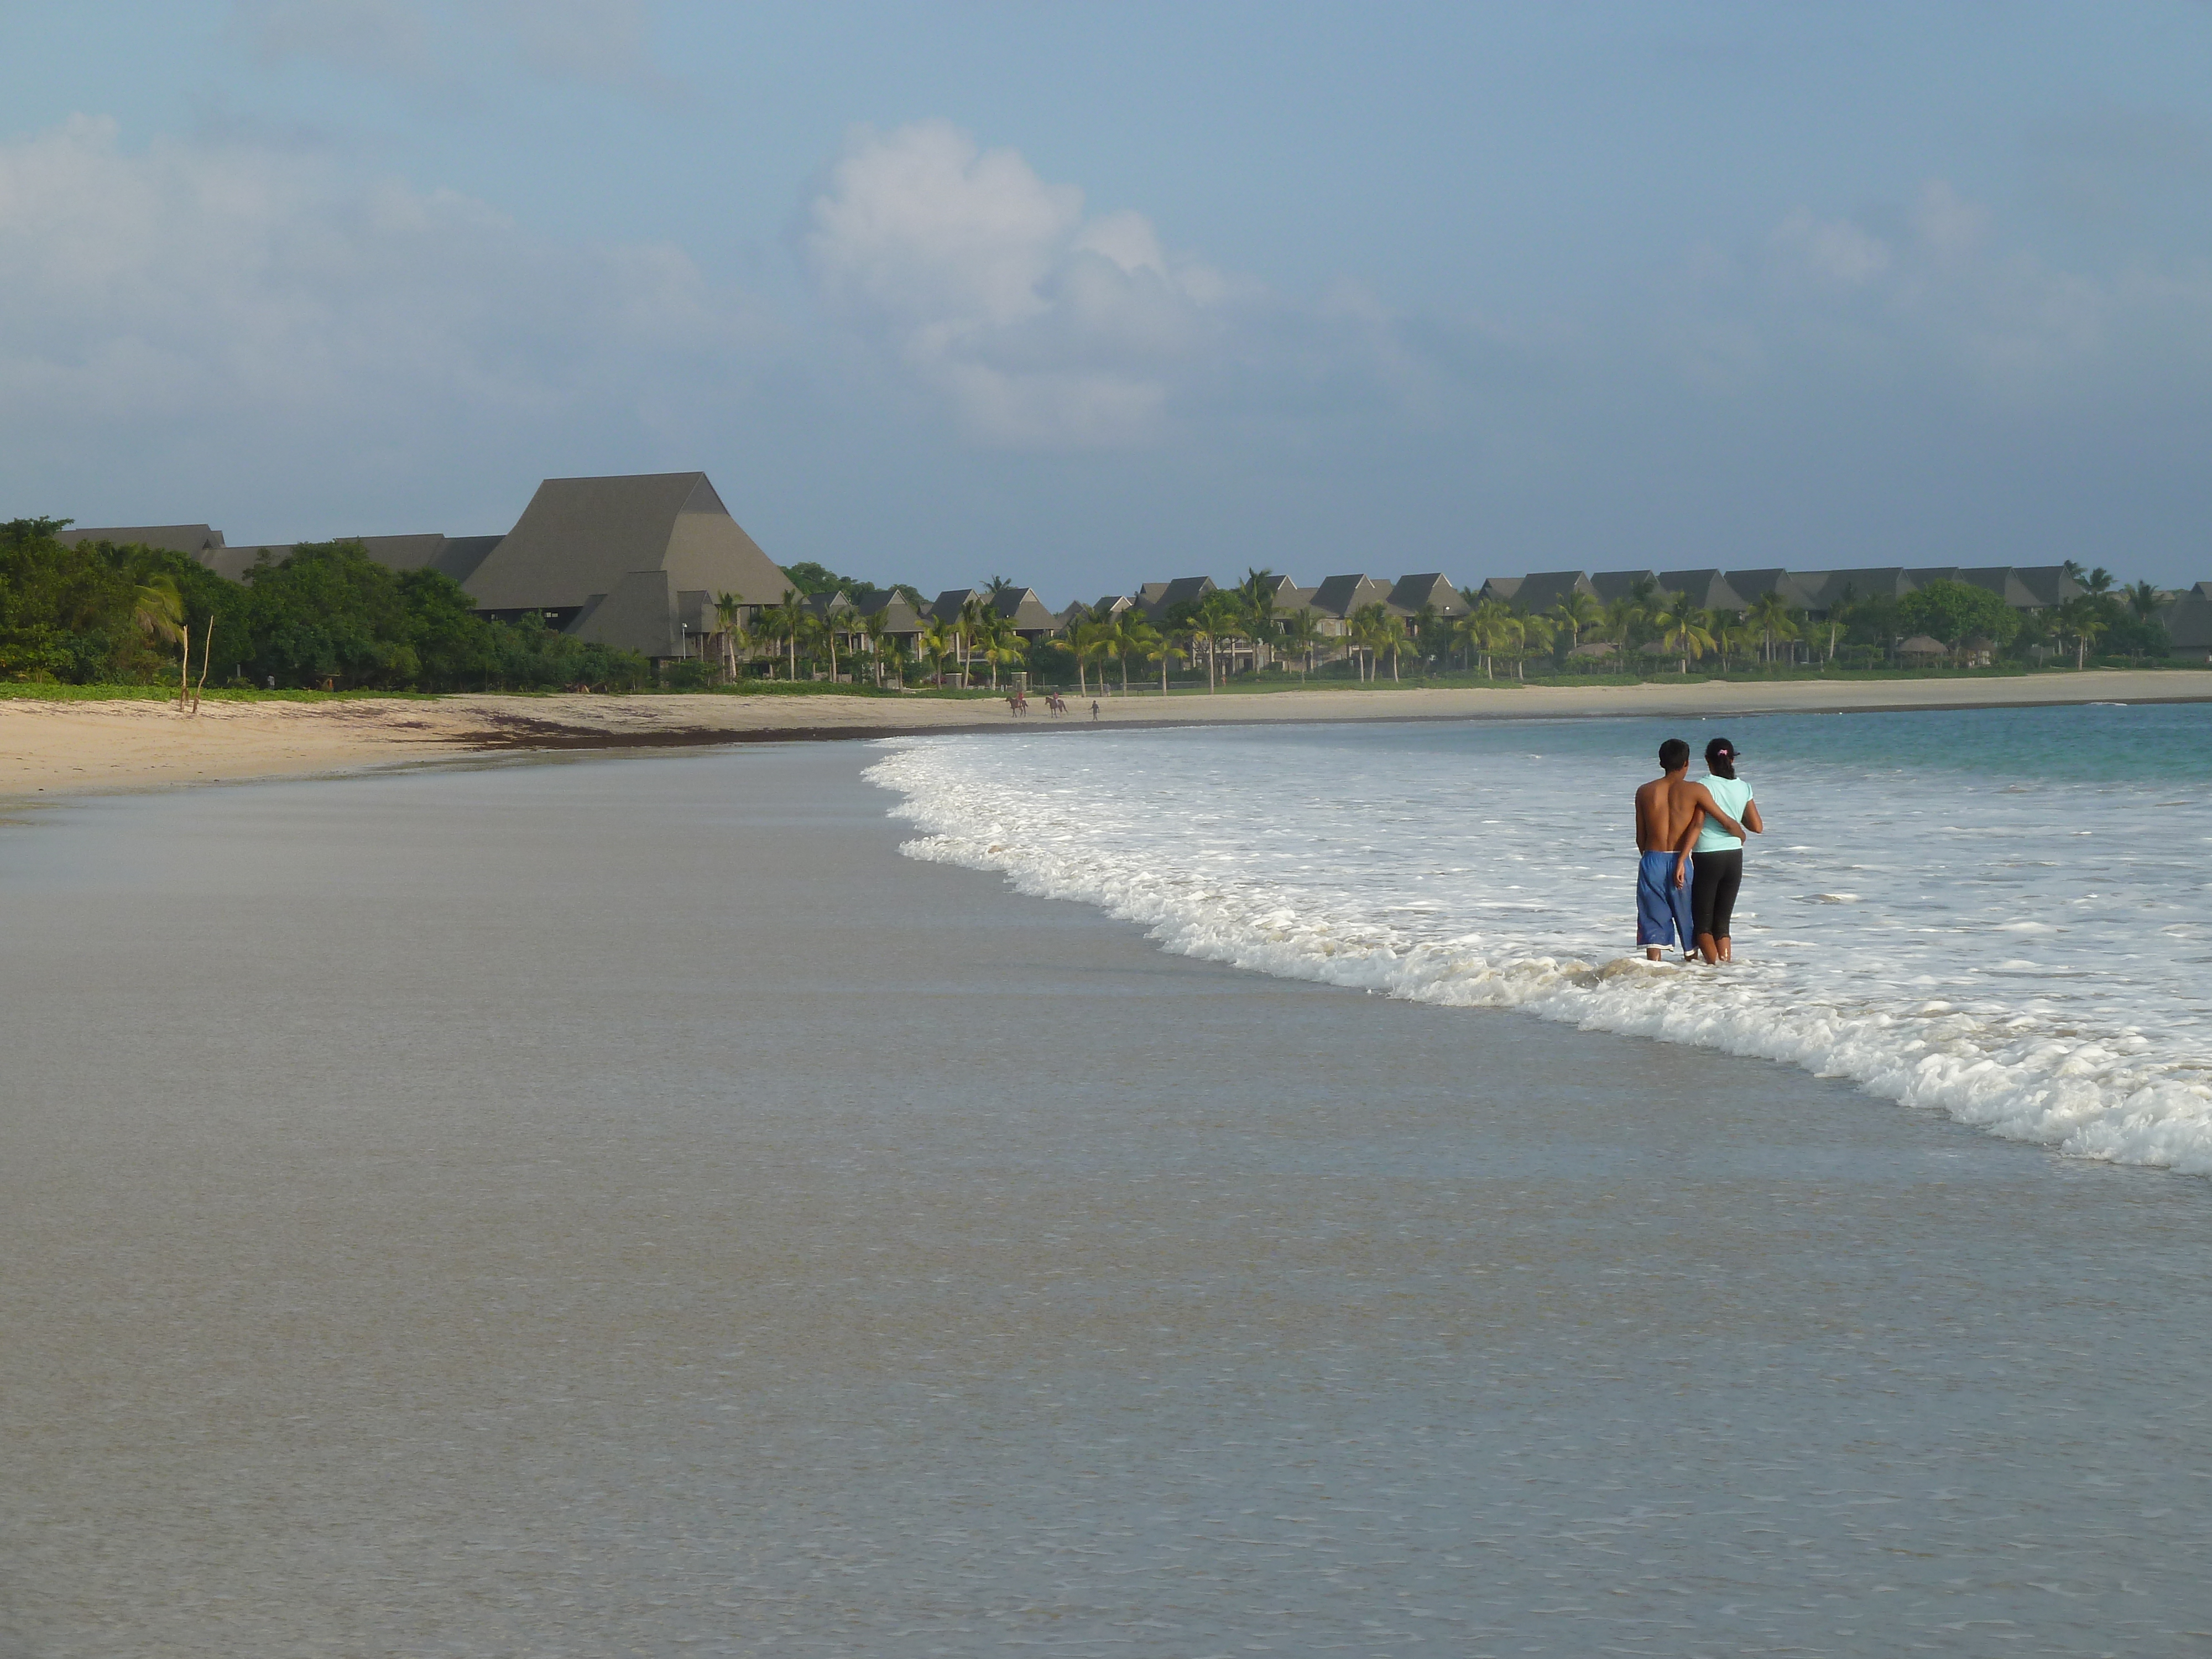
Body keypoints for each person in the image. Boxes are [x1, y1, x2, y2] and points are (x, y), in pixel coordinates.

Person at [1633, 738, 1745, 962]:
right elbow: (1724, 820)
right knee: (1689, 924)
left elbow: (1640, 839)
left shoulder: (1644, 791)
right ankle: (1693, 977)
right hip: (1680, 862)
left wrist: (1652, 862)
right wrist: (1740, 834)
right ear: (1687, 763)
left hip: (1652, 860)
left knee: (1653, 926)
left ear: (1661, 763)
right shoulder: (1695, 790)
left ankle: (1653, 975)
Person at [1691, 737, 1762, 964]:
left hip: (1707, 855)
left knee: (1702, 923)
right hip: (1734, 856)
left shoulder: (1702, 786)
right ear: (1732, 760)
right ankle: (1727, 972)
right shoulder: (1744, 787)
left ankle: (1714, 972)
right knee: (1722, 924)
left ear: (1707, 760)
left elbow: (1694, 824)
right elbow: (1757, 826)